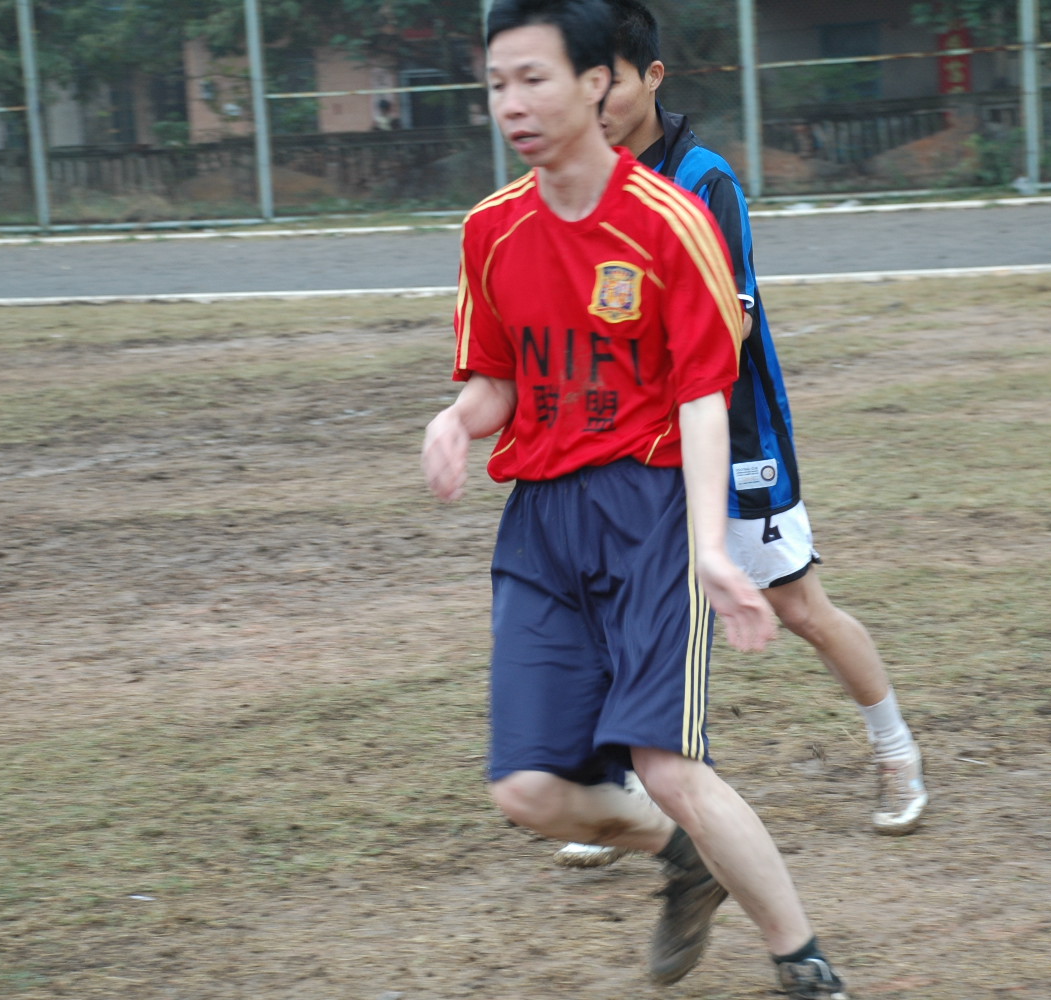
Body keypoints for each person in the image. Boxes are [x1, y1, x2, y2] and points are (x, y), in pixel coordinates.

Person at [422, 2, 850, 996]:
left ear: (595, 84)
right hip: (540, 522)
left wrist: (709, 548)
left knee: (666, 764)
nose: (512, 104)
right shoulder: (490, 230)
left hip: (646, 510)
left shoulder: (671, 221)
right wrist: (455, 420)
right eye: (497, 83)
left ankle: (802, 959)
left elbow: (703, 397)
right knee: (528, 792)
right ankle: (684, 856)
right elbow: (496, 379)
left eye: (533, 78)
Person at [553, 0, 927, 870]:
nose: (596, 101)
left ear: (653, 77)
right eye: (583, 83)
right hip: (632, 448)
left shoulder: (703, 179)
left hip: (733, 438)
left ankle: (896, 751)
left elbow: (733, 321)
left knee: (799, 608)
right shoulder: (583, 183)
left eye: (612, 81)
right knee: (626, 619)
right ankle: (626, 788)